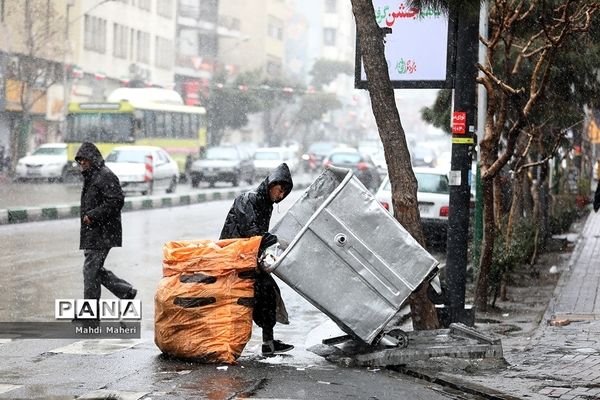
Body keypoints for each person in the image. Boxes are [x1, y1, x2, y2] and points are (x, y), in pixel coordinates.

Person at [220, 163, 294, 357]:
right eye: (279, 191)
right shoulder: (248, 200)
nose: (280, 196)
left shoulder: (266, 204)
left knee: (267, 293)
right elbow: (252, 233)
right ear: (271, 184)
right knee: (262, 292)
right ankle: (266, 343)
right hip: (233, 258)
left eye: (283, 194)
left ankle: (268, 343)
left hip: (246, 258)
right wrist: (276, 239)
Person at [75, 142, 137, 318]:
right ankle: (125, 291)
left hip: (103, 232)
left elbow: (116, 201)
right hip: (94, 232)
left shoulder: (105, 176)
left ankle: (90, 312)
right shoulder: (92, 175)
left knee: (90, 270)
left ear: (92, 159)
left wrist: (93, 215)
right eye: (79, 161)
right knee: (95, 270)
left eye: (84, 160)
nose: (82, 164)